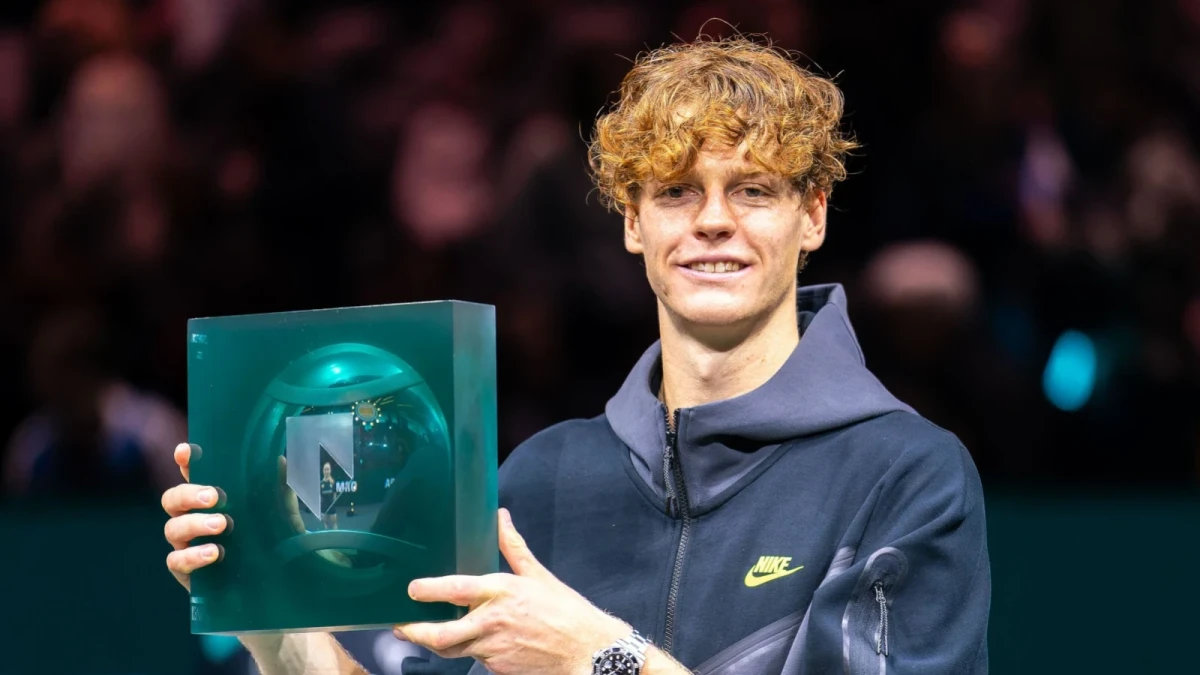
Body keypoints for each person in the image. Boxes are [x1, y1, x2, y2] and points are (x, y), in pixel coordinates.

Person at [162, 36, 990, 675]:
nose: (712, 220)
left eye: (752, 189)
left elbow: (589, 654)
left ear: (812, 216)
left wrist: (597, 655)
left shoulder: (906, 474)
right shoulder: (539, 477)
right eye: (676, 191)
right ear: (633, 221)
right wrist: (274, 625)